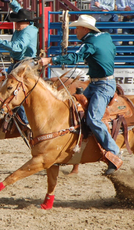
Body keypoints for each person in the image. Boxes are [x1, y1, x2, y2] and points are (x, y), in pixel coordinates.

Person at [40, 14, 121, 175]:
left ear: (85, 29)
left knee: (93, 118)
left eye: (77, 28)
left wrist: (50, 60)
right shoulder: (104, 37)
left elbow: (75, 56)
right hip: (99, 82)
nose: (75, 30)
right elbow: (112, 51)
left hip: (102, 86)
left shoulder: (90, 43)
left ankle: (114, 151)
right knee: (73, 106)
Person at [0, 0, 39, 126]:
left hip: (26, 64)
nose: (16, 24)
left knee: (17, 89)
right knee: (1, 81)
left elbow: (18, 47)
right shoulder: (28, 25)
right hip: (18, 62)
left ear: (25, 22)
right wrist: (11, 1)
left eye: (18, 22)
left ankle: (25, 122)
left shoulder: (27, 33)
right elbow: (20, 10)